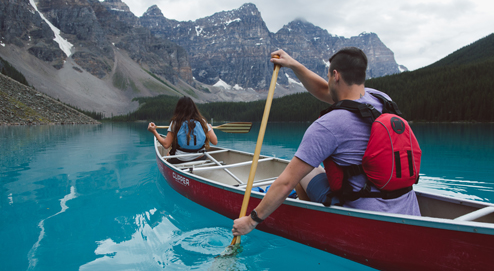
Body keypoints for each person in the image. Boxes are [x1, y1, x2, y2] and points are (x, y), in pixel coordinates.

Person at [232, 47, 420, 237]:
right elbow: (324, 91)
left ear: (335, 75)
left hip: (364, 218)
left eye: (329, 76)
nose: (328, 82)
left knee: (303, 172)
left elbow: (286, 183)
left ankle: (310, 227)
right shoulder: (381, 99)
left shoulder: (328, 125)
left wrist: (251, 221)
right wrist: (294, 65)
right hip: (408, 208)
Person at [148, 96, 218, 163]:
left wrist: (154, 131)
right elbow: (215, 142)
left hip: (181, 158)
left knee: (168, 154)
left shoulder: (175, 123)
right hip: (200, 156)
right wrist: (210, 129)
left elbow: (166, 145)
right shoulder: (202, 121)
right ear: (193, 108)